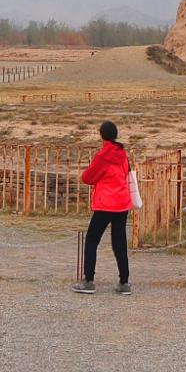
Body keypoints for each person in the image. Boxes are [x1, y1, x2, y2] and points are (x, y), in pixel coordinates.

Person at [74, 120, 133, 295]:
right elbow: (127, 172)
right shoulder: (122, 154)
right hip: (122, 202)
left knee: (92, 240)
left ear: (102, 135)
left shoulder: (103, 156)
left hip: (106, 202)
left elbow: (88, 177)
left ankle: (89, 280)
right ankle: (124, 282)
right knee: (119, 241)